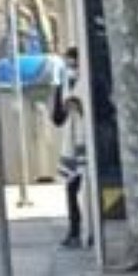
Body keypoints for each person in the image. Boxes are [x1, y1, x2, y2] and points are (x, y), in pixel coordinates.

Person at [52, 45, 86, 247]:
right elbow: (57, 118)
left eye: (73, 63)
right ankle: (75, 230)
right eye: (68, 64)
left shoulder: (89, 83)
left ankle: (76, 231)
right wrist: (61, 100)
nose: (71, 68)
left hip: (87, 142)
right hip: (72, 143)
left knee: (79, 189)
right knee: (72, 188)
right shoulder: (63, 85)